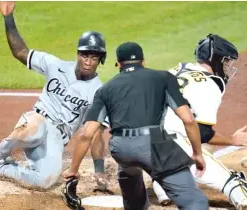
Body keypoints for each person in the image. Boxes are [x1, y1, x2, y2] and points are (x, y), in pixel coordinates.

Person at [0, 1, 108, 189]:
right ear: (77, 54)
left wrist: (99, 168)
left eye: (94, 57)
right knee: (33, 126)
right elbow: (20, 52)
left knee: (45, 182)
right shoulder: (55, 65)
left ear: (100, 60)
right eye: (85, 55)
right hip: (38, 121)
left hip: (57, 139)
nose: (88, 62)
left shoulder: (99, 92)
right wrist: (8, 18)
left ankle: (0, 167)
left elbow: (96, 133)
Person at [62, 41, 209, 210]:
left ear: (118, 64)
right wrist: (197, 153)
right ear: (143, 61)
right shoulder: (163, 78)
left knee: (130, 175)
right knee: (195, 202)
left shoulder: (105, 89)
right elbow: (188, 120)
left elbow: (87, 134)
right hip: (152, 145)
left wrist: (73, 169)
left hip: (121, 149)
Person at [152, 34, 247, 210]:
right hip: (175, 144)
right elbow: (202, 132)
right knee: (233, 180)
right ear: (216, 59)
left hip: (145, 143)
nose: (228, 68)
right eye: (226, 62)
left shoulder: (178, 68)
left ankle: (163, 185)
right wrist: (232, 140)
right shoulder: (210, 83)